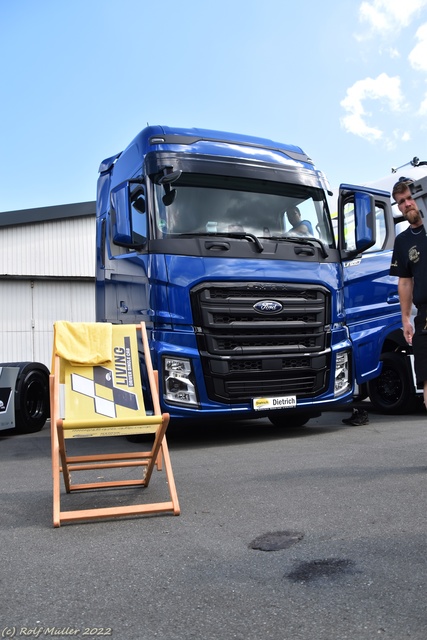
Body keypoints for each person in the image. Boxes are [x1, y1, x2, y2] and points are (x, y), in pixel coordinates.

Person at [389, 177, 427, 408]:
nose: (407, 204)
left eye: (410, 198)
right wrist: (406, 318)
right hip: (424, 317)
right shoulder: (402, 242)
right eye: (401, 202)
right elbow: (405, 282)